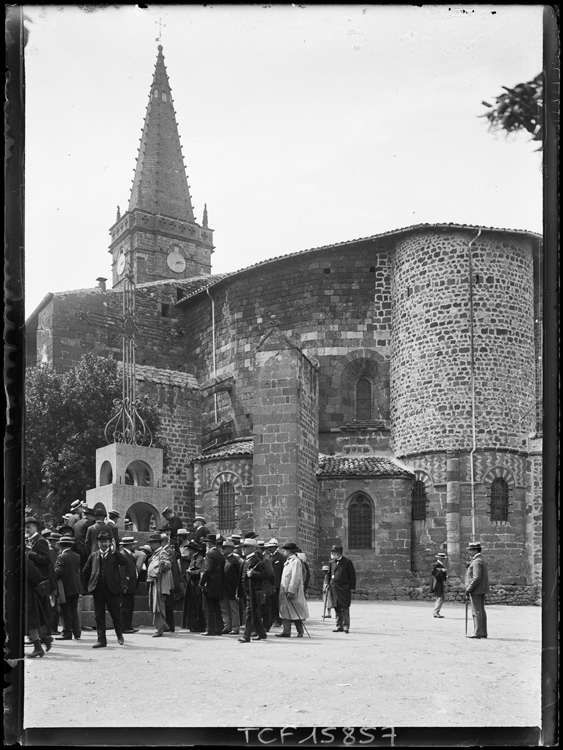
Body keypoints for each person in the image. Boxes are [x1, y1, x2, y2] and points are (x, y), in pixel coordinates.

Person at [81, 531, 126, 648]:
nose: (103, 544)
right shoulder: (93, 556)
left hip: (112, 590)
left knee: (115, 614)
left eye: (105, 541)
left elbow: (124, 562)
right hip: (98, 589)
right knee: (98, 615)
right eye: (101, 542)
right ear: (98, 543)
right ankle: (101, 640)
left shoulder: (114, 555)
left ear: (109, 542)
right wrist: (87, 586)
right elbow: (85, 571)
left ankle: (119, 635)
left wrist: (115, 551)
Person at [25, 516, 57, 650]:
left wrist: (30, 554)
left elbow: (46, 560)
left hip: (40, 581)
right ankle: (41, 637)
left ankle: (43, 637)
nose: (27, 529)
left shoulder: (40, 541)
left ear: (35, 528)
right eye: (26, 527)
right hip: (33, 580)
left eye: (29, 527)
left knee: (39, 611)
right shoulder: (31, 541)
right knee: (36, 612)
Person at [276, 542, 309, 638]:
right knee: (285, 611)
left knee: (295, 612)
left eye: (285, 550)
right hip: (284, 590)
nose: (284, 551)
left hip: (291, 592)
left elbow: (296, 577)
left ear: (289, 551)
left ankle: (300, 631)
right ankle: (286, 631)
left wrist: (291, 590)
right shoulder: (288, 561)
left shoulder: (296, 562)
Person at [238, 538, 268, 643]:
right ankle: (262, 633)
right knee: (253, 613)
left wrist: (253, 574)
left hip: (254, 591)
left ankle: (246, 636)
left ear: (252, 548)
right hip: (247, 591)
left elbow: (265, 575)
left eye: (245, 547)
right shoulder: (246, 560)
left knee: (249, 613)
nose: (243, 549)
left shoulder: (257, 561)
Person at [54, 535, 84, 640]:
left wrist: (51, 575)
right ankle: (77, 632)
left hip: (65, 587)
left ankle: (67, 632)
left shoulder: (61, 557)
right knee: (73, 610)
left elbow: (59, 572)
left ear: (61, 546)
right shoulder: (77, 556)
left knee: (64, 610)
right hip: (75, 586)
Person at [146, 532, 174, 637]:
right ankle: (161, 625)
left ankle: (159, 628)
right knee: (155, 605)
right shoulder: (156, 553)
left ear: (158, 543)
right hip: (155, 582)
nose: (151, 545)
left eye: (153, 543)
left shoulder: (162, 553)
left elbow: (168, 565)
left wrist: (161, 565)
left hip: (159, 582)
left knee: (158, 606)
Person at [324, 544, 356, 633]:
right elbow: (328, 574)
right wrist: (327, 583)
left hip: (344, 588)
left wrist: (352, 587)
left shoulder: (347, 562)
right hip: (334, 588)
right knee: (336, 607)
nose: (333, 554)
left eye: (334, 552)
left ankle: (346, 626)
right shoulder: (331, 563)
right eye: (332, 552)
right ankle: (339, 626)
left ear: (339, 553)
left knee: (344, 607)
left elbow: (352, 575)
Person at [25, 551, 51, 658]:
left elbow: (36, 577)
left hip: (25, 596)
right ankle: (43, 639)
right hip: (22, 595)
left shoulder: (22, 560)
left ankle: (38, 646)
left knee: (30, 622)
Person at [200, 533, 225, 636]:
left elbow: (207, 570)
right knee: (217, 607)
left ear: (209, 544)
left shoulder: (210, 554)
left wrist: (202, 583)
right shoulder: (220, 554)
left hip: (210, 584)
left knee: (209, 607)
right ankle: (219, 628)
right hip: (219, 584)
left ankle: (210, 629)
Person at [465, 541, 490, 639]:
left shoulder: (476, 561)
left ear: (476, 550)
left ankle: (478, 632)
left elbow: (476, 577)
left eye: (471, 550)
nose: (469, 552)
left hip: (476, 589)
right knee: (481, 610)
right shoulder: (480, 559)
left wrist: (469, 588)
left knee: (477, 611)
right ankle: (482, 632)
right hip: (480, 589)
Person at [182, 541, 206, 631]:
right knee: (192, 603)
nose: (187, 550)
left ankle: (198, 625)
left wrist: (190, 572)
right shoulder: (194, 557)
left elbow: (200, 571)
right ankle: (193, 624)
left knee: (197, 604)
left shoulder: (199, 558)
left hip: (196, 583)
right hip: (192, 583)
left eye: (189, 549)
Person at [220, 538, 242, 634]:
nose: (223, 550)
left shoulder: (236, 559)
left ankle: (235, 627)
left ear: (229, 549)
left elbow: (240, 573)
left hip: (232, 587)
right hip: (223, 587)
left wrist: (238, 587)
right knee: (224, 608)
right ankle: (227, 626)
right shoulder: (223, 559)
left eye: (224, 548)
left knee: (233, 608)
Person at [119, 536, 140, 634]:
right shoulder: (123, 555)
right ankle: (124, 627)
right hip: (126, 586)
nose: (134, 546)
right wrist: (124, 584)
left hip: (131, 586)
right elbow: (121, 571)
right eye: (133, 544)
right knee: (125, 607)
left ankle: (129, 625)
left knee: (129, 606)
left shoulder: (129, 555)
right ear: (128, 545)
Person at [264, 539, 285, 627]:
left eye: (271, 547)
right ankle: (272, 619)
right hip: (271, 583)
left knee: (277, 603)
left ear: (275, 547)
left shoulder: (281, 557)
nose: (269, 549)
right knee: (271, 603)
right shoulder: (269, 557)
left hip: (278, 583)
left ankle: (278, 619)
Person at [430, 552, 448, 618]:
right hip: (437, 583)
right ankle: (436, 612)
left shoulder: (440, 565)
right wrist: (442, 571)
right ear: (439, 558)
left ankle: (436, 611)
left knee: (439, 597)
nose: (443, 559)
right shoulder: (436, 565)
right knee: (440, 597)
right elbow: (435, 574)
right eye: (441, 558)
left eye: (443, 558)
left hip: (440, 583)